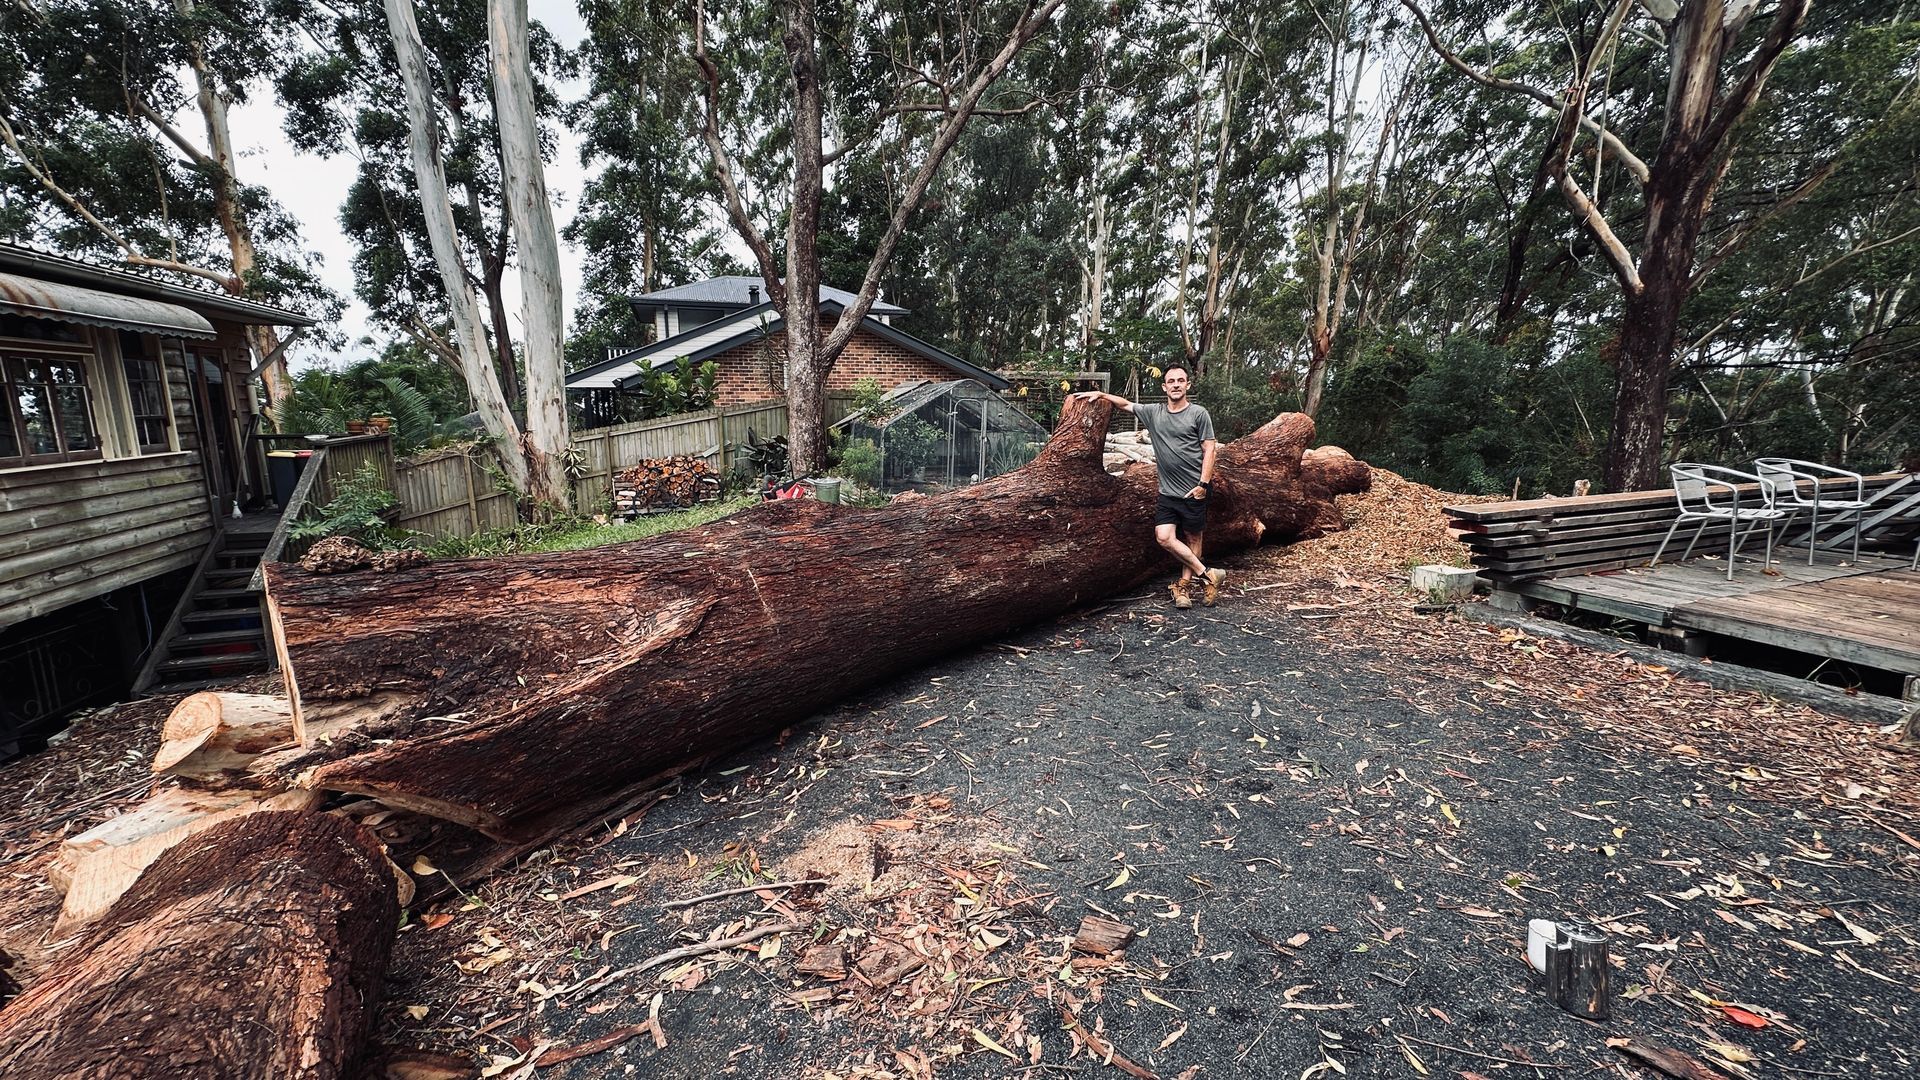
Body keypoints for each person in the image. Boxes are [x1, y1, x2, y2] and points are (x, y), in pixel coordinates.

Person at [1072, 365, 1226, 609]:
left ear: (1188, 385)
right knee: (1164, 537)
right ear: (1164, 387)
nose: (1176, 384)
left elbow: (1210, 449)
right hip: (1168, 492)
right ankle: (1208, 574)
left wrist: (1203, 484)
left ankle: (1184, 588)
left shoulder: (1199, 414)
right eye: (1171, 381)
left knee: (1193, 537)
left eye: (1181, 380)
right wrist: (1102, 395)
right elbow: (1125, 405)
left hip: (1195, 489)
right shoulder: (1154, 412)